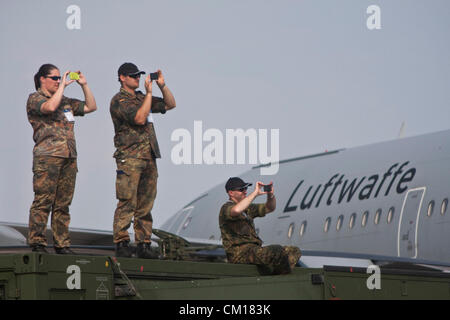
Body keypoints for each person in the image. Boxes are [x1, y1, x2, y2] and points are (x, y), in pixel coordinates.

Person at [26, 64, 97, 254]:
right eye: (55, 78)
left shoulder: (65, 101)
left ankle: (62, 243)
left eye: (60, 78)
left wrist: (84, 85)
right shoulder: (35, 98)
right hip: (48, 156)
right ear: (42, 79)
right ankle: (38, 243)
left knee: (63, 204)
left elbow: (91, 106)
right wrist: (63, 87)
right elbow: (49, 107)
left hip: (68, 156)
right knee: (43, 201)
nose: (58, 81)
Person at [110, 62, 176, 258]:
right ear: (122, 77)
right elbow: (139, 118)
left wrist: (162, 86)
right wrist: (148, 95)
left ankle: (143, 244)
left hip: (149, 156)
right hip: (129, 157)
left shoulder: (140, 97)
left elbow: (170, 104)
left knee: (146, 204)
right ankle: (122, 242)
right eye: (132, 75)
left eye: (138, 75)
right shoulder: (119, 100)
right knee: (127, 201)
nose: (137, 78)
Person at [219, 177, 301, 274]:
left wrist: (270, 195)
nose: (245, 191)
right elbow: (236, 210)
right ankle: (283, 279)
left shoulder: (247, 209)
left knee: (294, 251)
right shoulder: (226, 208)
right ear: (231, 193)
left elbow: (270, 208)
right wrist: (255, 194)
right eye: (241, 189)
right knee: (276, 251)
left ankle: (277, 278)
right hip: (239, 254)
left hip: (253, 250)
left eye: (246, 189)